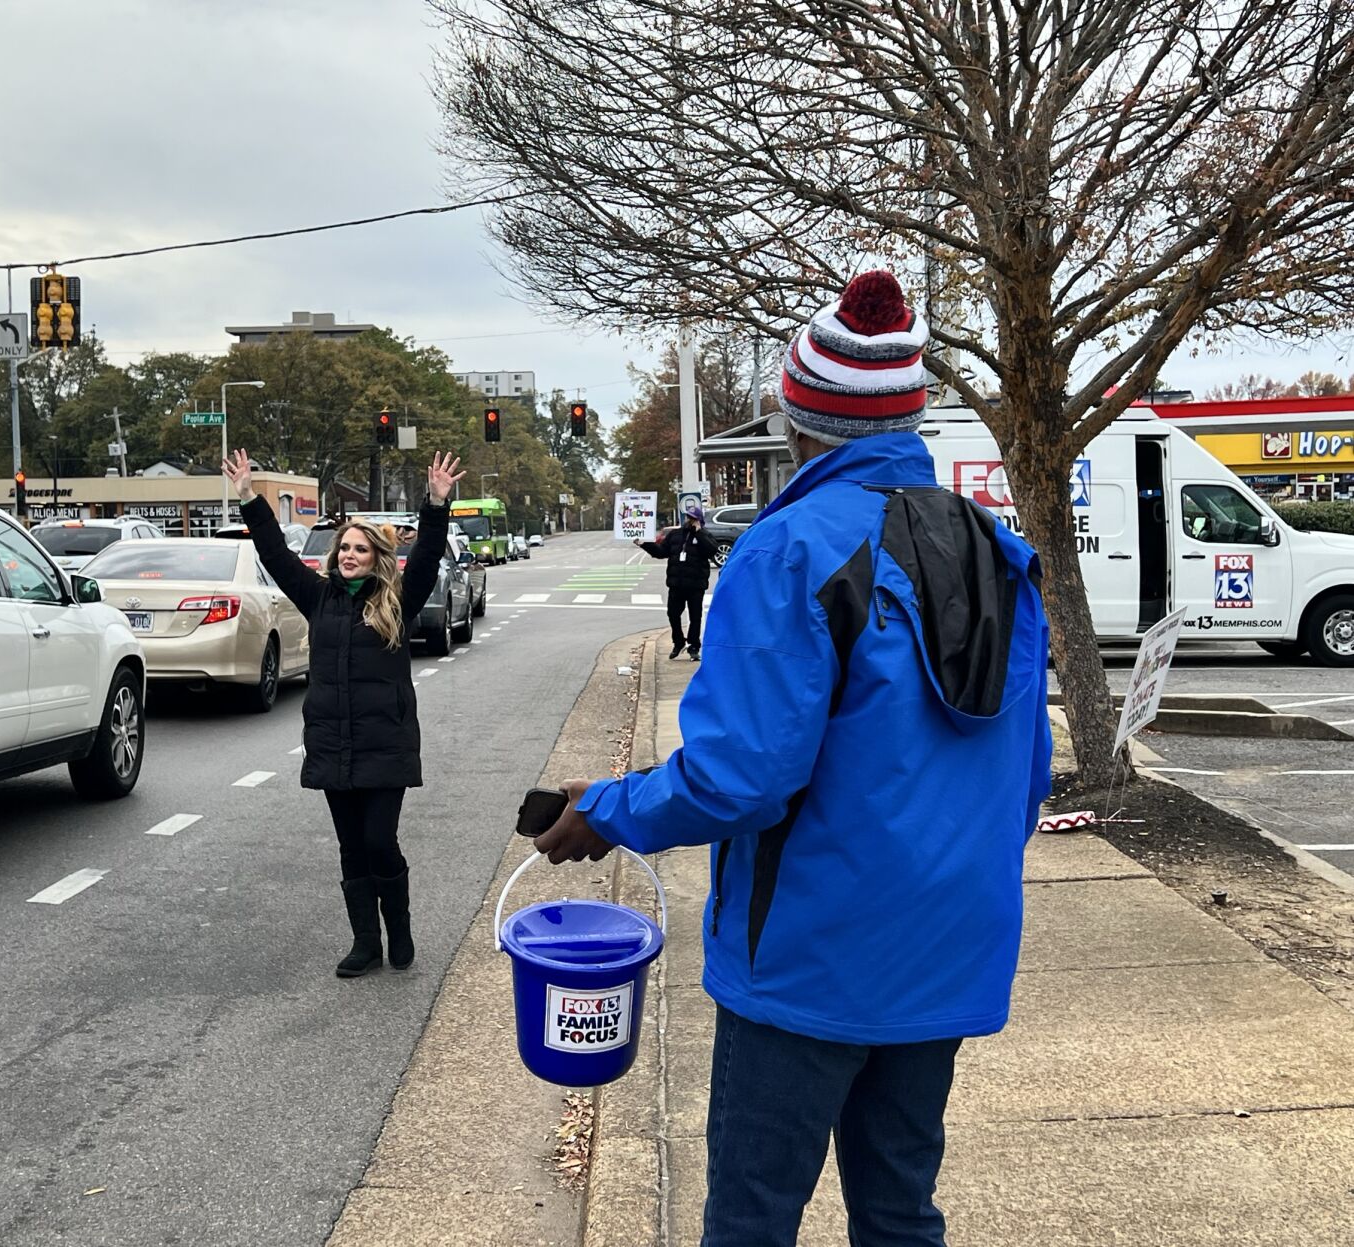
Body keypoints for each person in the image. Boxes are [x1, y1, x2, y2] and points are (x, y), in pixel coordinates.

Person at [535, 271, 1053, 1247]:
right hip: (947, 951)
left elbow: (740, 776)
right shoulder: (999, 551)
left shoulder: (785, 553)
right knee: (901, 1207)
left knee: (752, 1217)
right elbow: (1027, 778)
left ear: (795, 417)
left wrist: (606, 808)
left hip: (808, 963)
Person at [223, 447, 466, 979]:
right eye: (344, 548)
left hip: (386, 744)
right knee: (351, 848)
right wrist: (248, 498)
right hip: (334, 743)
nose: (349, 555)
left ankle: (398, 929)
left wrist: (436, 503)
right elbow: (274, 553)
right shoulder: (318, 596)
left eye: (360, 549)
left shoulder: (397, 599)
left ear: (377, 557)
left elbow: (424, 556)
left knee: (380, 840)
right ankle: (365, 943)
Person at [634, 503, 719, 660]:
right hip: (676, 584)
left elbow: (711, 550)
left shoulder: (705, 535)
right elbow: (661, 552)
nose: (690, 520)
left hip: (695, 584)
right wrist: (644, 544)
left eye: (693, 518)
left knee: (695, 617)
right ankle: (678, 642)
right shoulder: (675, 535)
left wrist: (699, 532)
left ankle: (694, 645)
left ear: (699, 520)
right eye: (688, 517)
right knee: (673, 614)